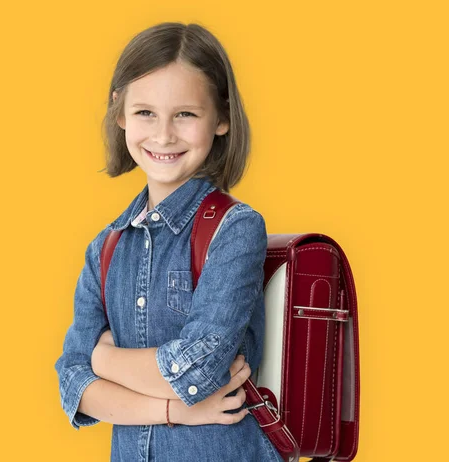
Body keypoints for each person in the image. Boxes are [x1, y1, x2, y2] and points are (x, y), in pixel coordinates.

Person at [54, 22, 284, 462]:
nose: (163, 136)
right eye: (145, 113)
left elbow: (198, 370)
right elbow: (72, 385)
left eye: (185, 114)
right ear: (119, 113)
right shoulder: (105, 247)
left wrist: (103, 361)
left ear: (221, 119)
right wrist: (173, 410)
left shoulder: (234, 228)